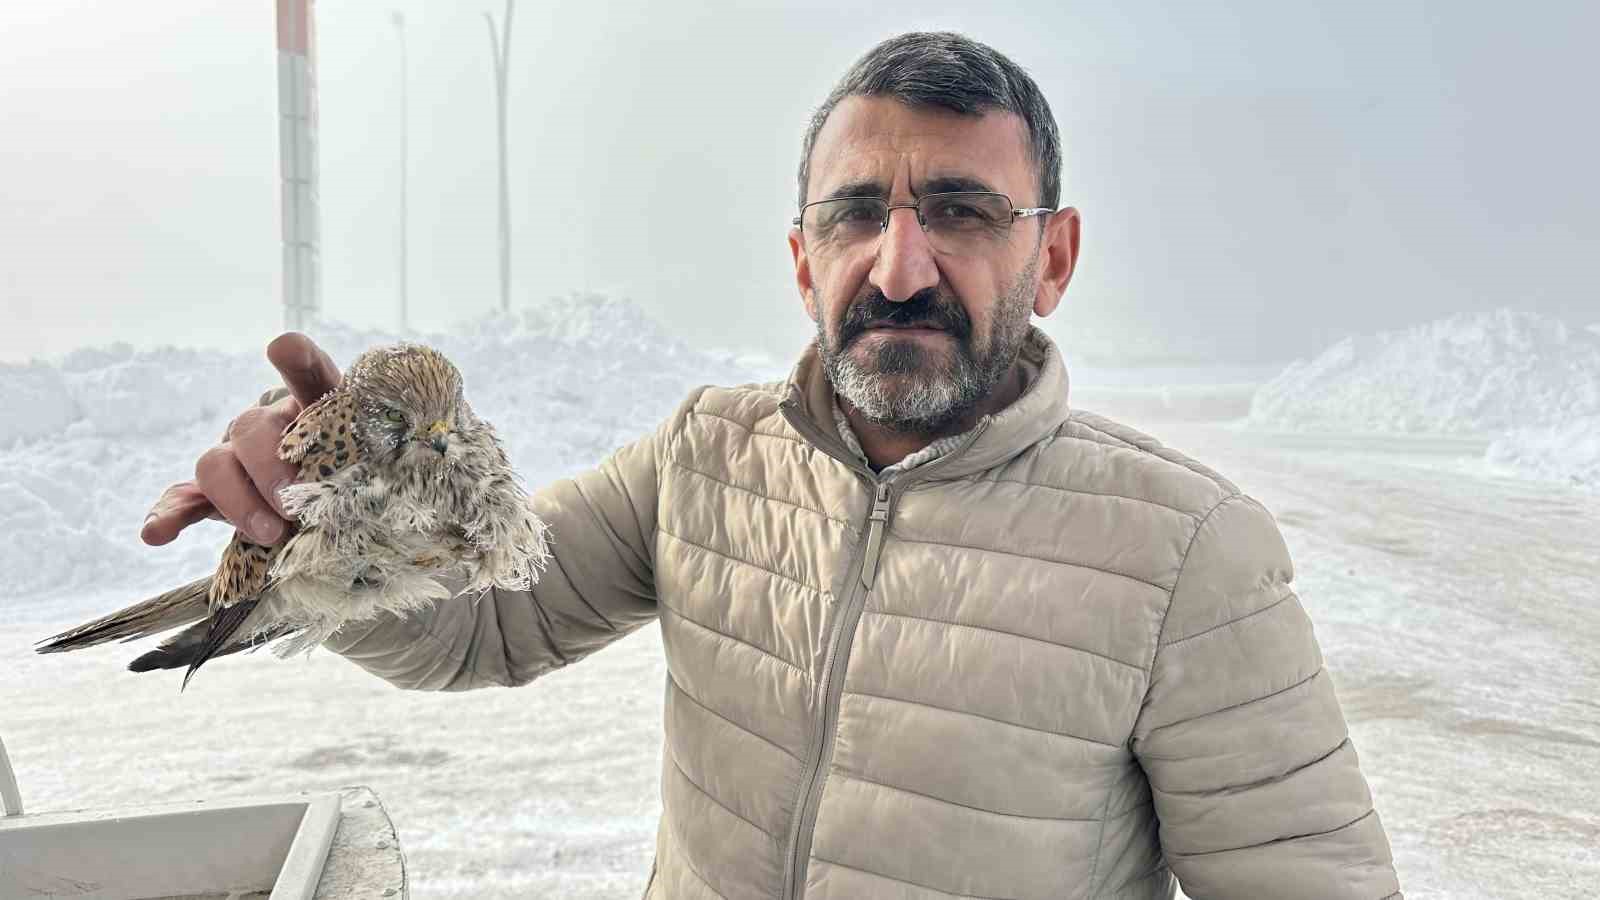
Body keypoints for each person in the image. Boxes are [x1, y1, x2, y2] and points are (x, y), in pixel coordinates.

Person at [142, 31, 1402, 900]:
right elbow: (479, 629)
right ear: (803, 259)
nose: (897, 266)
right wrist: (327, 533)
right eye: (855, 214)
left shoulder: (1188, 555)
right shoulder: (705, 458)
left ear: (1053, 257)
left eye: (961, 213)